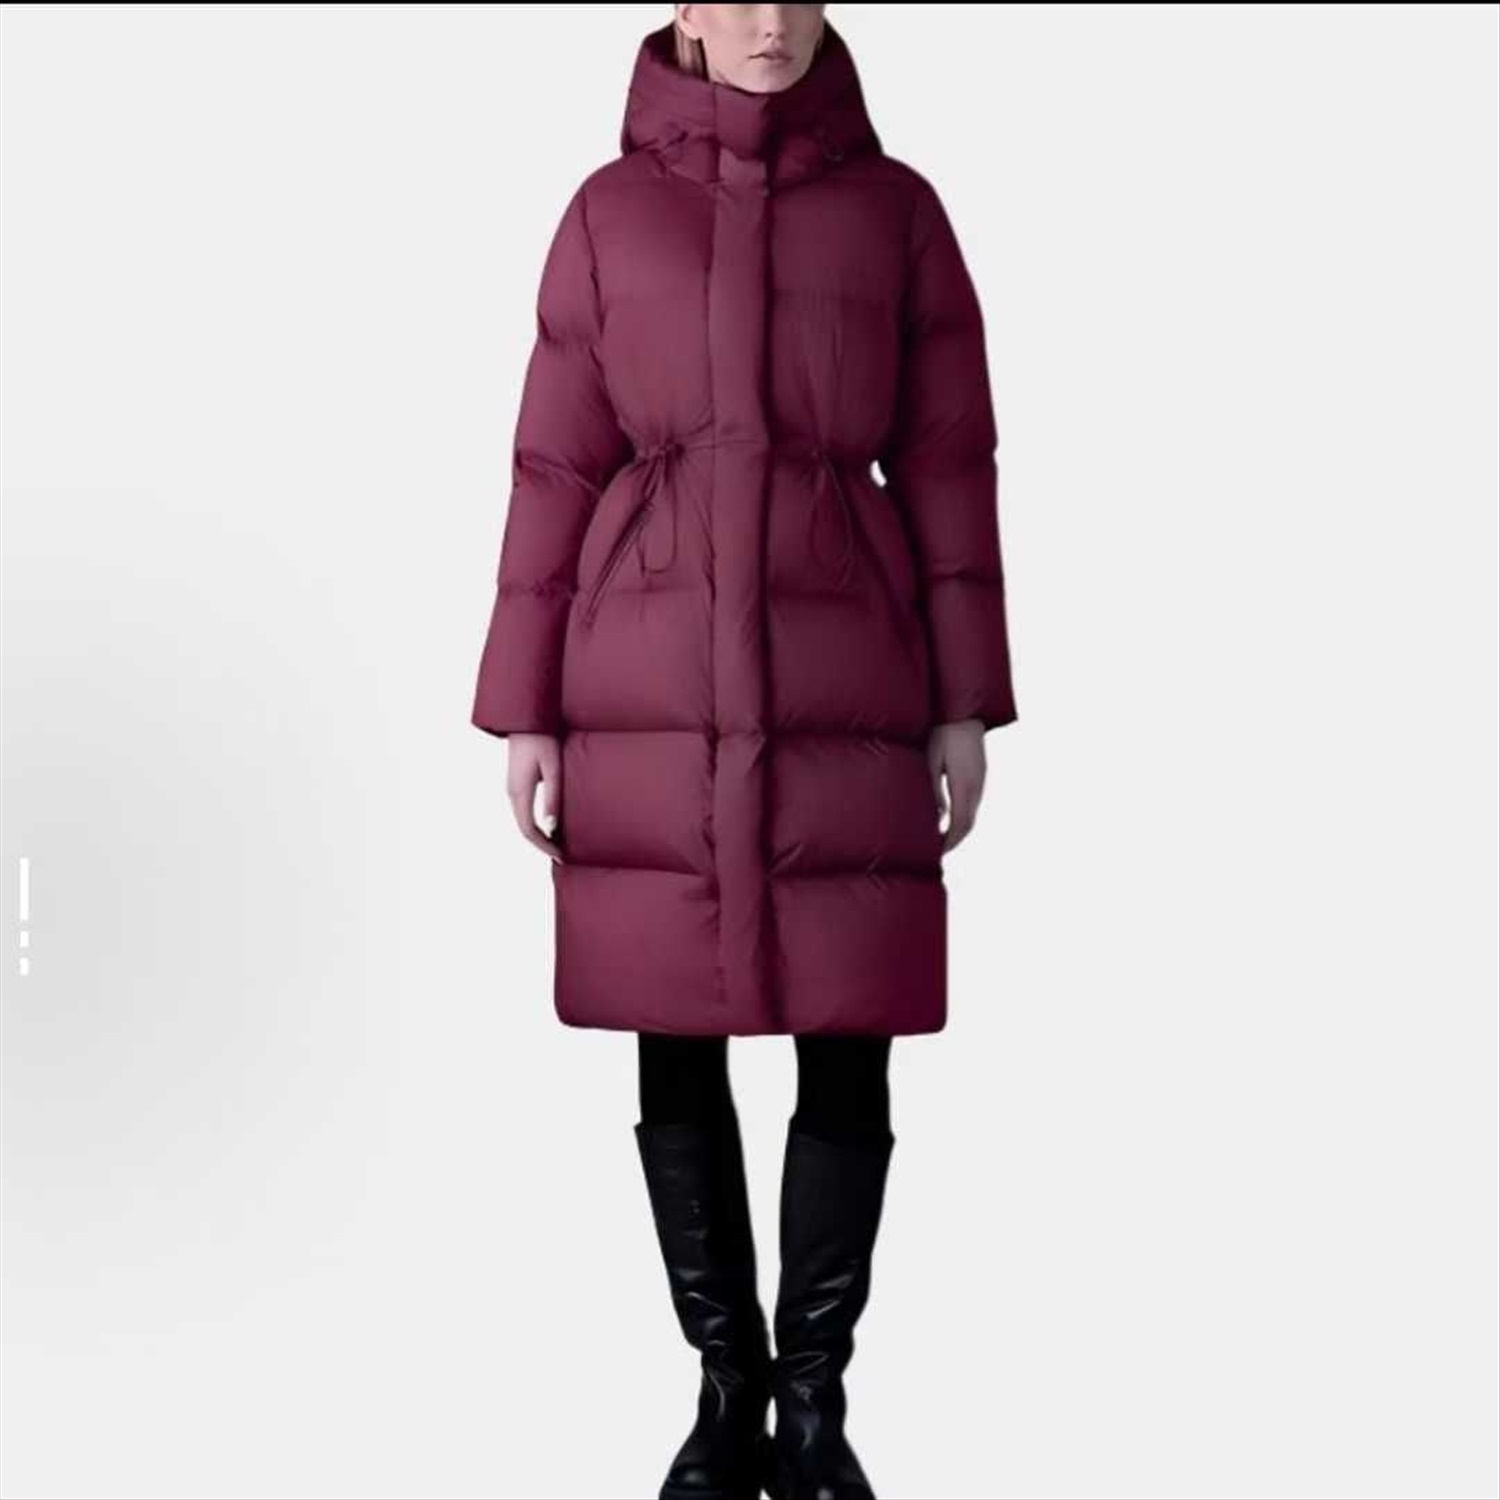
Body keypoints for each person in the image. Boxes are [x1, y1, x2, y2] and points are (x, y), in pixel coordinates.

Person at [470, 7, 1018, 1498]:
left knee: (851, 1030)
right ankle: (727, 1393)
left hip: (850, 674)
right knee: (674, 1024)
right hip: (648, 681)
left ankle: (816, 1404)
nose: (770, 22)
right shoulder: (607, 217)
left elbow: (950, 468)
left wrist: (965, 701)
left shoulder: (899, 215)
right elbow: (552, 470)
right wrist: (526, 707)